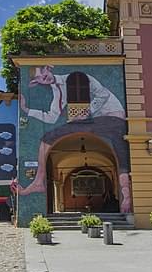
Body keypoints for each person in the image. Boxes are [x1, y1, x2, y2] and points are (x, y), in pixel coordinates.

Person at [18, 65, 132, 212]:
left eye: (43, 73)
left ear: (48, 68)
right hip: (109, 122)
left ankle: (39, 181)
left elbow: (103, 94)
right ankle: (126, 193)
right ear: (36, 82)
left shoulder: (77, 76)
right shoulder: (57, 92)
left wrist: (86, 111)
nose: (43, 78)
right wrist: (26, 110)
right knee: (120, 151)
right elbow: (51, 117)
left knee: (48, 138)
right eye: (38, 78)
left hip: (110, 117)